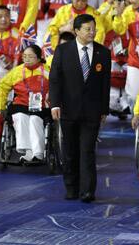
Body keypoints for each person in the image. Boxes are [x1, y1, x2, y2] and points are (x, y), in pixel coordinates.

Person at [49, 14, 111, 203]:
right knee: (70, 151)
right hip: (68, 109)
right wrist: (55, 104)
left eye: (93, 28)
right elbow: (55, 79)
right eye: (87, 29)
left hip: (92, 111)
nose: (92, 32)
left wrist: (104, 109)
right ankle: (71, 188)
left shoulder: (103, 52)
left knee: (88, 151)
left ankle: (87, 191)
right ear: (76, 31)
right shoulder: (62, 50)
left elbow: (105, 84)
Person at [0, 45, 50, 163]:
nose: (27, 59)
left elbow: (57, 87)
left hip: (40, 105)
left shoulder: (47, 71)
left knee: (35, 120)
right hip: (21, 104)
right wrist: (0, 106)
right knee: (20, 117)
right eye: (24, 56)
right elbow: (2, 86)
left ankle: (38, 153)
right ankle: (28, 151)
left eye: (31, 56)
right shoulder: (17, 71)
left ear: (39, 58)